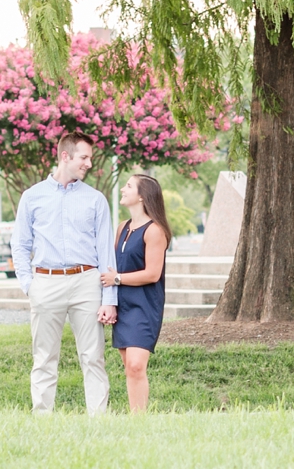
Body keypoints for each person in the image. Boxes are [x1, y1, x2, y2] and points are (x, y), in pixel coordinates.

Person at [12, 133, 118, 414]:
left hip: (87, 282)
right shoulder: (32, 197)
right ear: (65, 156)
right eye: (84, 157)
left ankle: (99, 420)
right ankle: (42, 418)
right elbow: (20, 245)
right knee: (44, 357)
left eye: (90, 158)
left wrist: (110, 298)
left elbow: (106, 252)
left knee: (93, 356)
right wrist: (29, 285)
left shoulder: (96, 200)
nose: (89, 164)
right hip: (45, 282)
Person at [101, 174, 169, 412]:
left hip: (144, 306)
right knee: (129, 367)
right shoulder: (122, 227)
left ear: (142, 196)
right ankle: (135, 415)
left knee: (137, 365)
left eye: (128, 186)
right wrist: (108, 302)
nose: (122, 189)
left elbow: (152, 273)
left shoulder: (154, 231)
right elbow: (112, 267)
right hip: (123, 305)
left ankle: (139, 419)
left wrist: (117, 279)